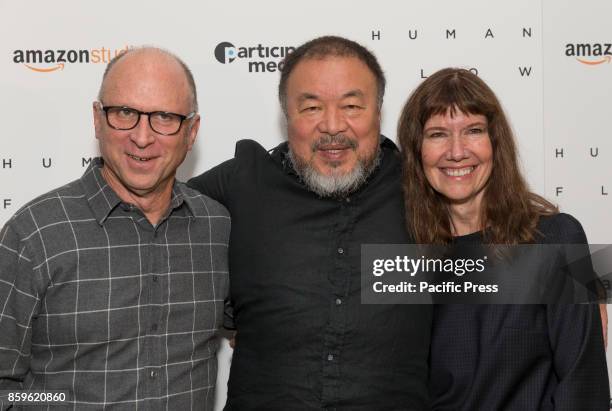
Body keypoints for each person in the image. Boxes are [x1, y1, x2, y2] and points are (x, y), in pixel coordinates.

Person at [188, 36, 432, 410]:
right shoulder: (243, 183)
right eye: (312, 107)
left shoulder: (424, 189)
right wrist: (223, 304)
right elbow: (154, 218)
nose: (332, 126)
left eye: (351, 105)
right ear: (287, 116)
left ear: (378, 112)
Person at [0, 47, 230, 410]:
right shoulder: (35, 234)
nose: (141, 137)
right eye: (124, 113)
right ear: (97, 118)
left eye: (165, 117)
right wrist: (62, 400)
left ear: (191, 131)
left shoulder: (217, 227)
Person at [397, 67, 609, 410]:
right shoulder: (403, 256)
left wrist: (593, 283)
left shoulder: (559, 238)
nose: (456, 151)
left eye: (473, 131)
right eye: (437, 134)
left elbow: (585, 385)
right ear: (416, 151)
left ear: (496, 142)